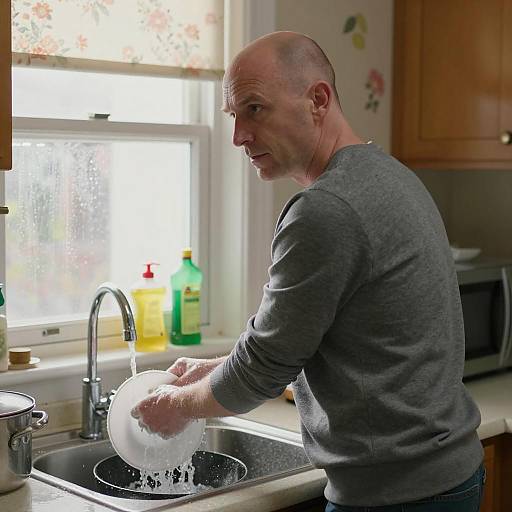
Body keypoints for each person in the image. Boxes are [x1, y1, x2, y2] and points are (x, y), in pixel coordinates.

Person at [132, 31, 484, 511]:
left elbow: (261, 371)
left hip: (398, 494)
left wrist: (177, 406)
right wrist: (208, 369)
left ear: (317, 99)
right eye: (233, 116)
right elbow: (296, 345)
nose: (238, 136)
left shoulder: (326, 211)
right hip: (444, 474)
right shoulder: (390, 176)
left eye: (254, 109)